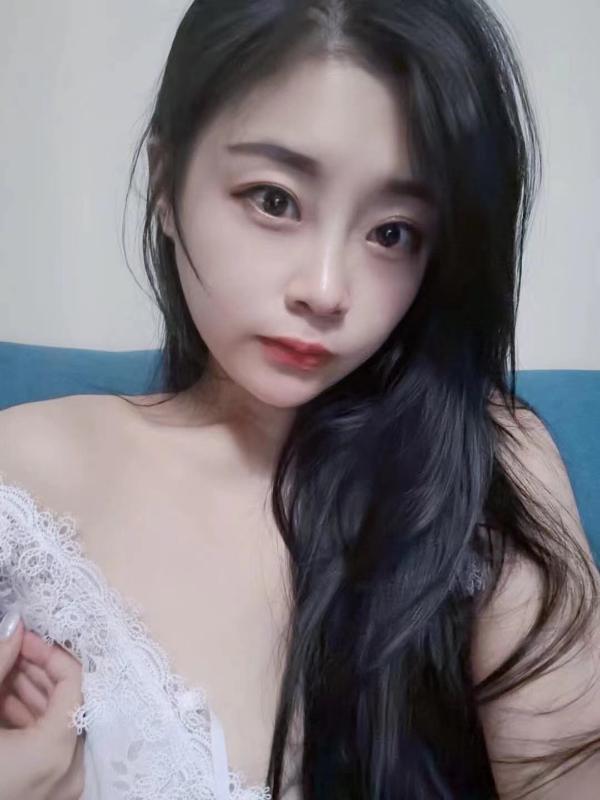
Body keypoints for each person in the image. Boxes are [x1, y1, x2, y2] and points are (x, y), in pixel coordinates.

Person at [0, 0, 598, 798]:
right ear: (166, 183)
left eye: (393, 233)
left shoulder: (481, 462)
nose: (325, 289)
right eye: (274, 199)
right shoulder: (26, 475)